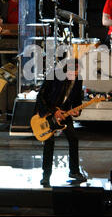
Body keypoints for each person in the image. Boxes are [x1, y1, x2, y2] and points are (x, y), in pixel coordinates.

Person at [35, 58, 87, 187]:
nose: (74, 75)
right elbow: (41, 96)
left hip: (64, 113)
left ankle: (74, 171)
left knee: (73, 139)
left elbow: (77, 100)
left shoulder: (78, 79)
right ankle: (46, 176)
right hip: (48, 113)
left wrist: (77, 111)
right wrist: (53, 111)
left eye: (76, 72)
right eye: (71, 72)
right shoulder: (54, 76)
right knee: (49, 142)